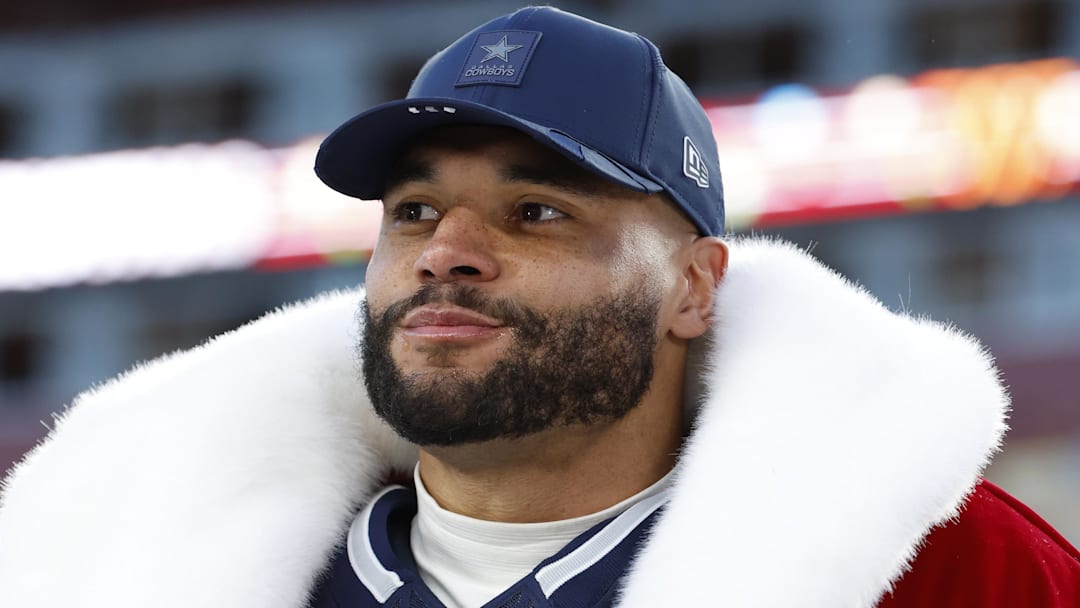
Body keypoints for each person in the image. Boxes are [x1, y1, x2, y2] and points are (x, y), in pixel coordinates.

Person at [1, 6, 1077, 608]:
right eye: (415, 210)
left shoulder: (949, 569)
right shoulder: (138, 560)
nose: (448, 256)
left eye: (537, 211)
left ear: (694, 287)